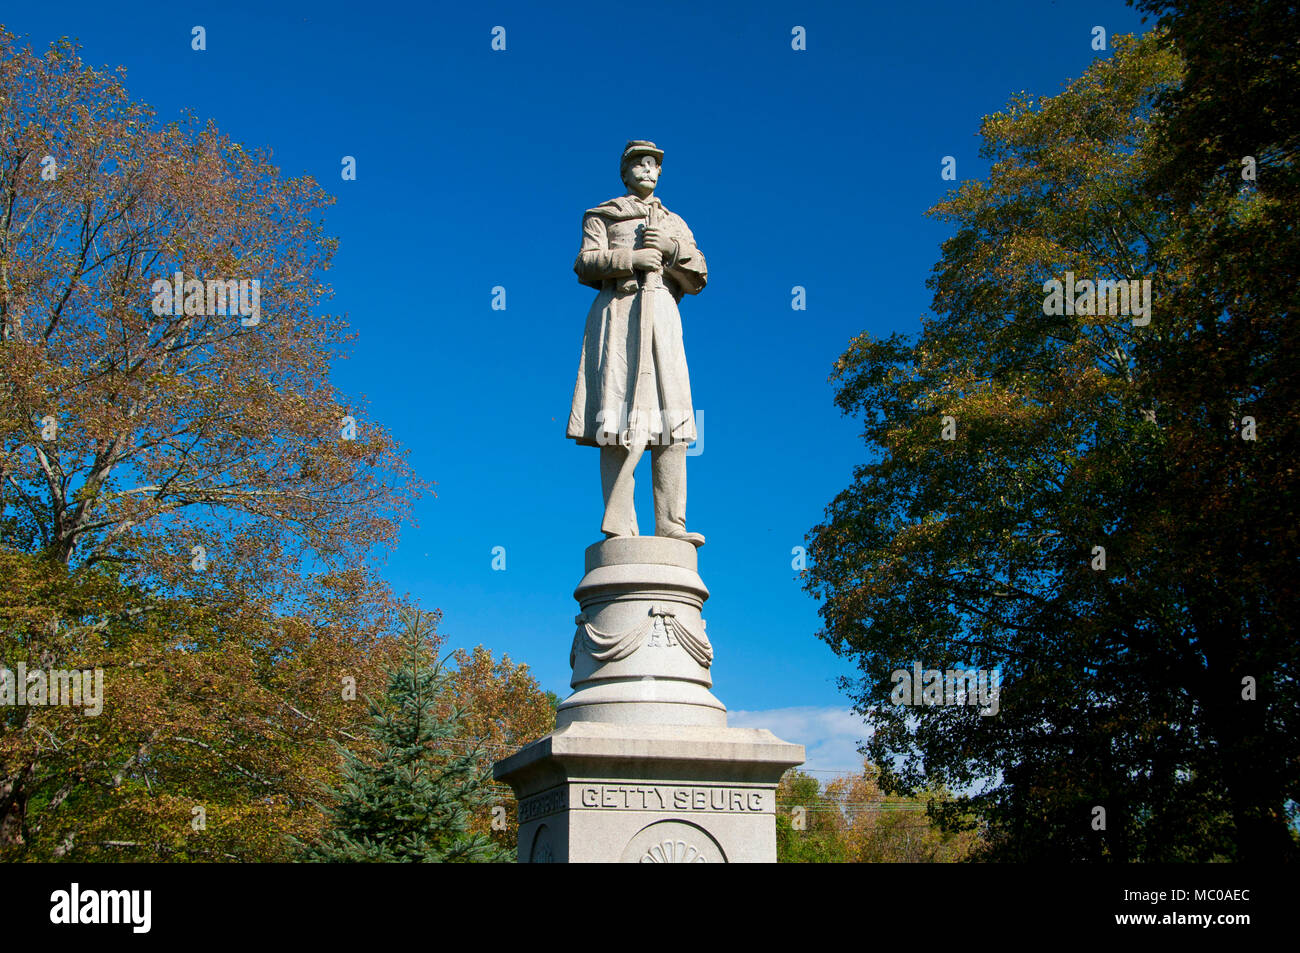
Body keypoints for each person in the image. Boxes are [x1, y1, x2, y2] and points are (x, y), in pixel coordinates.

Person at [567, 140, 707, 546]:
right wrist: (631, 260)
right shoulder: (604, 215)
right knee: (615, 418)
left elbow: (699, 274)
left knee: (672, 417)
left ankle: (671, 524)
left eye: (654, 164)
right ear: (625, 172)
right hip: (619, 312)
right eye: (638, 164)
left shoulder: (675, 222)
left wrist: (670, 250)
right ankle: (620, 525)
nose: (647, 169)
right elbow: (585, 262)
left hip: (662, 312)